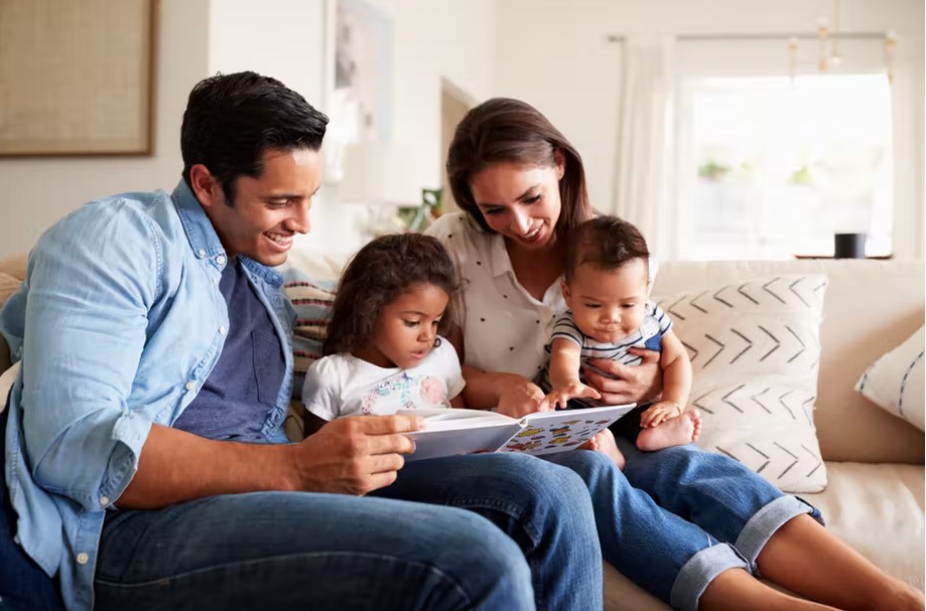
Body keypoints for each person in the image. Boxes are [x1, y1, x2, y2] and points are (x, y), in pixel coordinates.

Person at [0, 73, 605, 611]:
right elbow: (74, 445)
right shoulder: (117, 239)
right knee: (474, 557)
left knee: (549, 489)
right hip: (138, 526)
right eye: (281, 201)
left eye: (310, 197)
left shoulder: (267, 275)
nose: (305, 223)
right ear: (206, 184)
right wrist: (293, 467)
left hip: (273, 487)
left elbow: (378, 313)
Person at [426, 96, 925, 611]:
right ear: (471, 205)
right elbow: (433, 364)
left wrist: (648, 387)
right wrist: (498, 386)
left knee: (685, 465)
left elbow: (654, 350)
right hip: (513, 436)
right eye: (494, 210)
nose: (521, 222)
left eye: (531, 198)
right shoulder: (454, 245)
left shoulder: (613, 252)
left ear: (559, 165)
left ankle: (893, 598)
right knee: (590, 473)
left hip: (607, 419)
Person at [539, 215, 701, 469]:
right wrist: (568, 383)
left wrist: (672, 402)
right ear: (568, 294)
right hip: (581, 405)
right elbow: (564, 356)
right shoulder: (570, 325)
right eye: (593, 305)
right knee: (556, 420)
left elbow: (677, 358)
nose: (611, 318)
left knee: (648, 417)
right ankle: (603, 449)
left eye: (627, 304)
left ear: (646, 290)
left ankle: (656, 435)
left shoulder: (652, 316)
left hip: (630, 407)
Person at [301, 233, 464, 434]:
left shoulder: (443, 355)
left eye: (435, 322)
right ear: (369, 311)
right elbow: (316, 452)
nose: (428, 336)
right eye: (412, 322)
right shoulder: (332, 376)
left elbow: (465, 423)